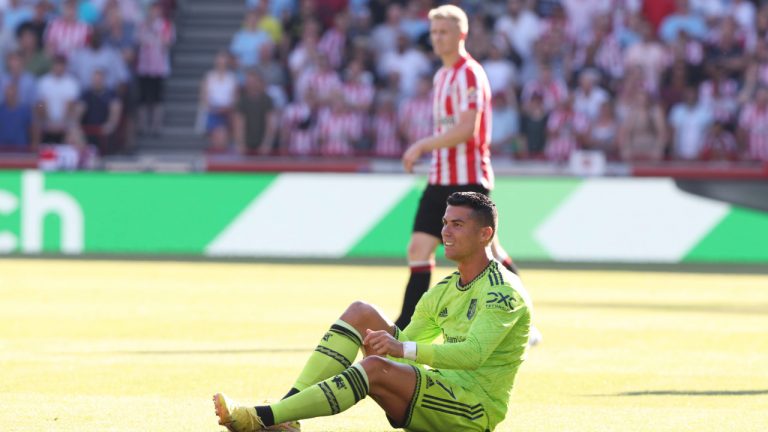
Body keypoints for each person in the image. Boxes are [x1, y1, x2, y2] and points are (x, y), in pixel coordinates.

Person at [213, 191, 532, 432]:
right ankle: (288, 416)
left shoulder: (503, 291)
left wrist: (399, 348)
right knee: (361, 312)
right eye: (445, 223)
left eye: (457, 225)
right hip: (437, 389)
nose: (445, 232)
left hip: (471, 409)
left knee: (376, 367)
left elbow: (474, 355)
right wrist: (395, 346)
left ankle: (261, 417)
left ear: (485, 234)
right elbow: (409, 343)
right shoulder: (445, 290)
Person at [397, 5, 522, 331]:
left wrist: (423, 145)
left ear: (461, 34)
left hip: (469, 178)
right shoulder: (441, 75)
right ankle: (407, 325)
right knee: (419, 248)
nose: (437, 39)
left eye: (444, 32)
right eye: (434, 32)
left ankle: (522, 312)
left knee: (488, 254)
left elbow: (467, 128)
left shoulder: (470, 73)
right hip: (440, 177)